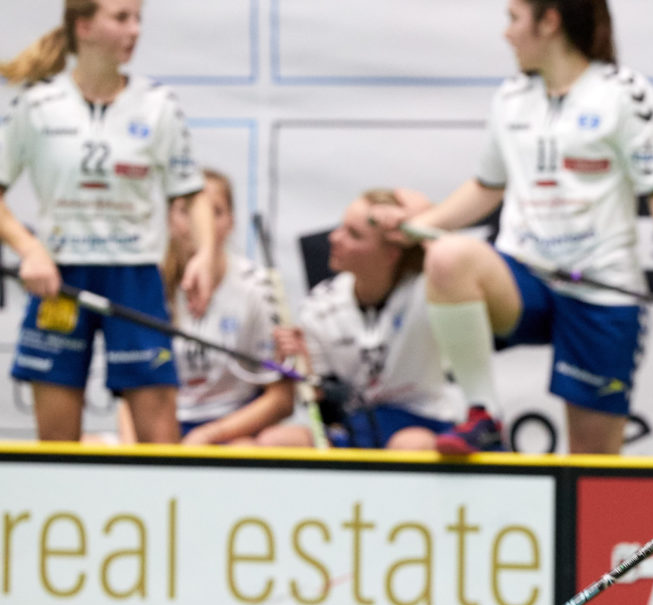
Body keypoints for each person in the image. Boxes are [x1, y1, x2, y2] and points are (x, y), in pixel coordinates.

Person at [382, 0, 653, 455]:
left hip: (602, 290)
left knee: (592, 468)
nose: (507, 33)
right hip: (526, 277)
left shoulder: (623, 92)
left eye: (514, 19)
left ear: (549, 21)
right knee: (448, 257)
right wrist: (419, 226)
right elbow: (487, 185)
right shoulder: (511, 97)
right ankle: (483, 414)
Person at [0, 0, 215, 443]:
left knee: (160, 442)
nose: (134, 30)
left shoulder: (157, 104)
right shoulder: (38, 104)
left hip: (134, 275)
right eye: (121, 18)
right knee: (57, 448)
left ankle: (164, 511)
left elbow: (192, 197)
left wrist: (205, 254)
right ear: (84, 26)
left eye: (138, 19)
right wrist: (30, 248)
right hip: (60, 278)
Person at [256, 189, 463, 451]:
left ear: (392, 253)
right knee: (276, 441)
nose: (334, 238)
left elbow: (450, 244)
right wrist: (305, 370)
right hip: (355, 426)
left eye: (353, 234)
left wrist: (406, 218)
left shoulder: (430, 291)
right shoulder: (319, 306)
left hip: (423, 423)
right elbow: (324, 409)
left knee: (409, 444)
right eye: (340, 227)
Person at [162, 170, 294, 445]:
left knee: (247, 450)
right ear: (168, 219)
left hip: (232, 425)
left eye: (215, 212)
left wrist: (209, 434)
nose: (201, 225)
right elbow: (130, 392)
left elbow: (281, 398)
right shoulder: (150, 284)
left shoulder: (255, 287)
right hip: (162, 423)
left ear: (231, 222)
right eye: (185, 211)